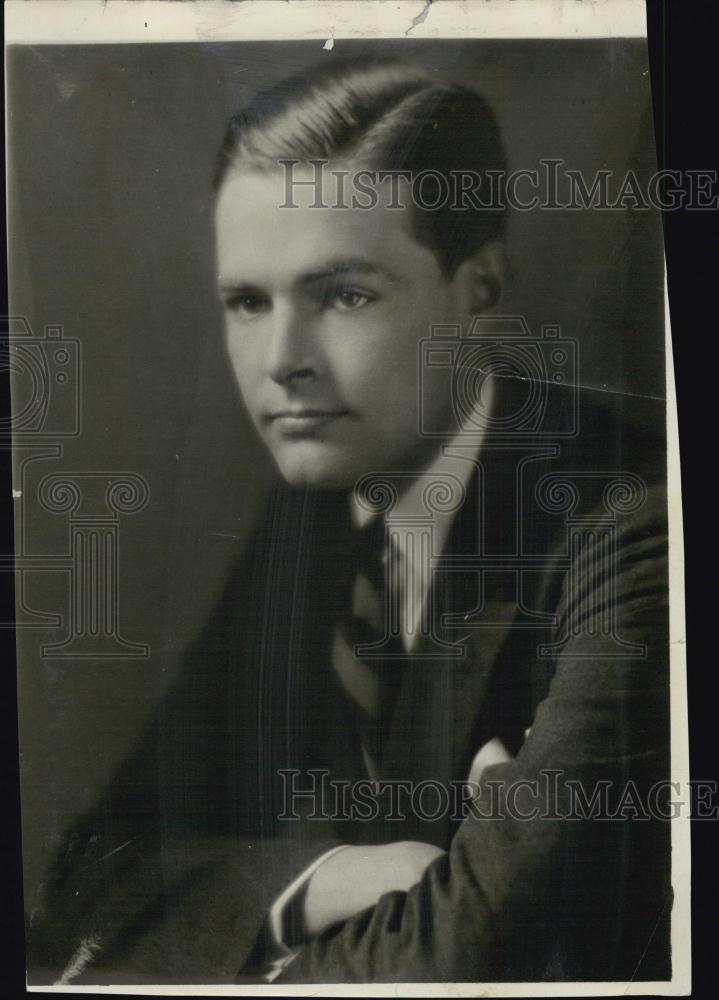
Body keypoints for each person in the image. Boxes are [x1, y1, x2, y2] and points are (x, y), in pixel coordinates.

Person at [31, 57, 671, 985]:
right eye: (248, 302)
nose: (282, 359)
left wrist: (241, 959)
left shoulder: (633, 518)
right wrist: (317, 882)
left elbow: (486, 946)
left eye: (344, 295)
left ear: (479, 291)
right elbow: (85, 895)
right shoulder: (318, 516)